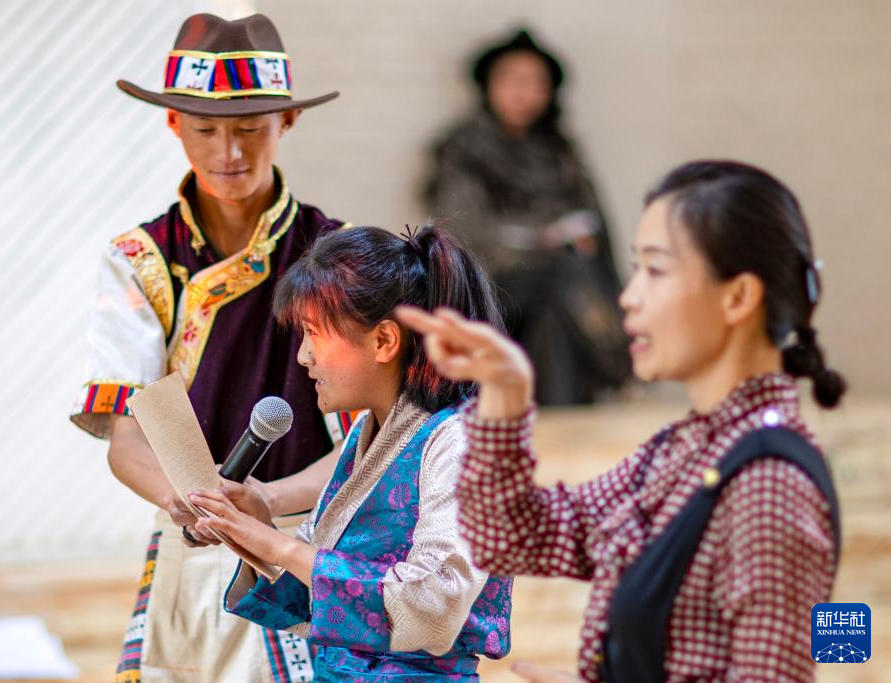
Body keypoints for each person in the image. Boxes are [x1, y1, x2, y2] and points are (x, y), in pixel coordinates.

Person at [400, 160, 844, 682]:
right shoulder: (688, 448)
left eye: (655, 271)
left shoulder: (769, 484)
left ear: (738, 297)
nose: (629, 298)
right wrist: (505, 392)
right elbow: (513, 537)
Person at [69, 13, 350, 683]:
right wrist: (185, 501)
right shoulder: (140, 260)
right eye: (204, 129)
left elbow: (371, 438)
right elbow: (127, 437)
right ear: (173, 123)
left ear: (286, 121)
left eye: (250, 128)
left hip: (316, 536)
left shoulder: (338, 256)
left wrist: (268, 501)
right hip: (194, 536)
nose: (228, 151)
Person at [188, 226, 513, 681]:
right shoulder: (369, 430)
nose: (303, 357)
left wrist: (279, 546)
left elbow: (435, 605)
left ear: (383, 341)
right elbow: (317, 589)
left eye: (314, 334)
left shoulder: (465, 441)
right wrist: (255, 528)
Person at [426, 28, 629, 405]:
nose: (525, 92)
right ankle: (619, 363)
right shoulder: (463, 150)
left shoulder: (559, 152)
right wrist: (546, 240)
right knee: (558, 272)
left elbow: (596, 227)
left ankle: (556, 414)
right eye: (513, 80)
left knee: (553, 304)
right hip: (491, 289)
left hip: (554, 289)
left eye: (537, 83)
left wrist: (580, 240)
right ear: (489, 85)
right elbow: (467, 234)